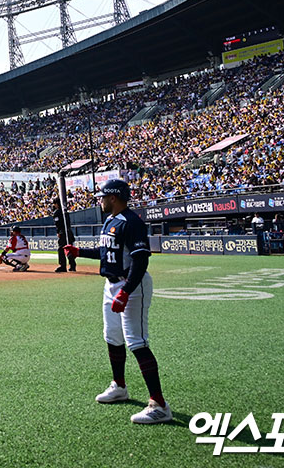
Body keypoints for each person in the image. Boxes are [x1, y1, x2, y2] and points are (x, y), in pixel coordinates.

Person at [63, 178, 172, 424]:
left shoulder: (131, 222)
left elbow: (141, 259)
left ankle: (159, 404)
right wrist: (80, 252)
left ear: (113, 197)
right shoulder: (111, 221)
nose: (100, 201)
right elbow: (106, 254)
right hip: (111, 284)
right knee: (112, 337)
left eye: (102, 197)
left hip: (131, 284)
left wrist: (126, 291)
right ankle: (119, 386)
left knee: (137, 342)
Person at [53, 196, 76, 273]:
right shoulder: (65, 212)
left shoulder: (57, 212)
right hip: (69, 232)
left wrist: (58, 232)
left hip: (63, 232)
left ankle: (63, 266)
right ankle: (72, 265)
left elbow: (58, 224)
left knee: (61, 249)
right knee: (68, 248)